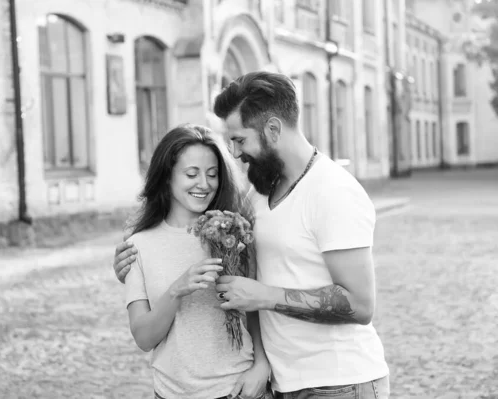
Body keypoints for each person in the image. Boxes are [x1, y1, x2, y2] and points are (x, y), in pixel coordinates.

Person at [113, 72, 390, 399]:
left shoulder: (333, 191)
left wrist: (263, 296)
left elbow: (359, 304)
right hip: (284, 383)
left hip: (339, 383)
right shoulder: (260, 196)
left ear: (272, 130)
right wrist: (134, 268)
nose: (234, 152)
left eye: (240, 140)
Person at [121, 124, 271, 399]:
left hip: (238, 390)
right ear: (166, 176)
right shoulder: (137, 246)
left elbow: (254, 311)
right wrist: (177, 290)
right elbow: (143, 338)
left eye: (212, 174)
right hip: (172, 393)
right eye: (192, 174)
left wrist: (261, 365)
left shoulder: (233, 232)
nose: (204, 184)